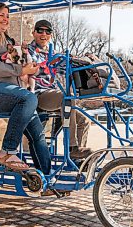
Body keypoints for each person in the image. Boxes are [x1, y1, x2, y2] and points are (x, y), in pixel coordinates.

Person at [0, 2, 51, 175]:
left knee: (38, 134)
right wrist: (21, 70)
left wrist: (28, 68)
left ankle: (46, 179)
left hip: (8, 91)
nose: (6, 19)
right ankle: (7, 152)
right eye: (1, 15)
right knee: (29, 98)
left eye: (7, 15)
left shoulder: (7, 40)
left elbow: (12, 66)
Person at [27, 20, 92, 159]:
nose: (44, 34)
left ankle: (78, 161)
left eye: (48, 31)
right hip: (36, 93)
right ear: (33, 32)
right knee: (66, 97)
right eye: (40, 30)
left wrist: (83, 60)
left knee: (84, 120)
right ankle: (72, 147)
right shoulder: (28, 50)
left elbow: (65, 67)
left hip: (52, 94)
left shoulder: (53, 52)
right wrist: (49, 62)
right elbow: (30, 68)